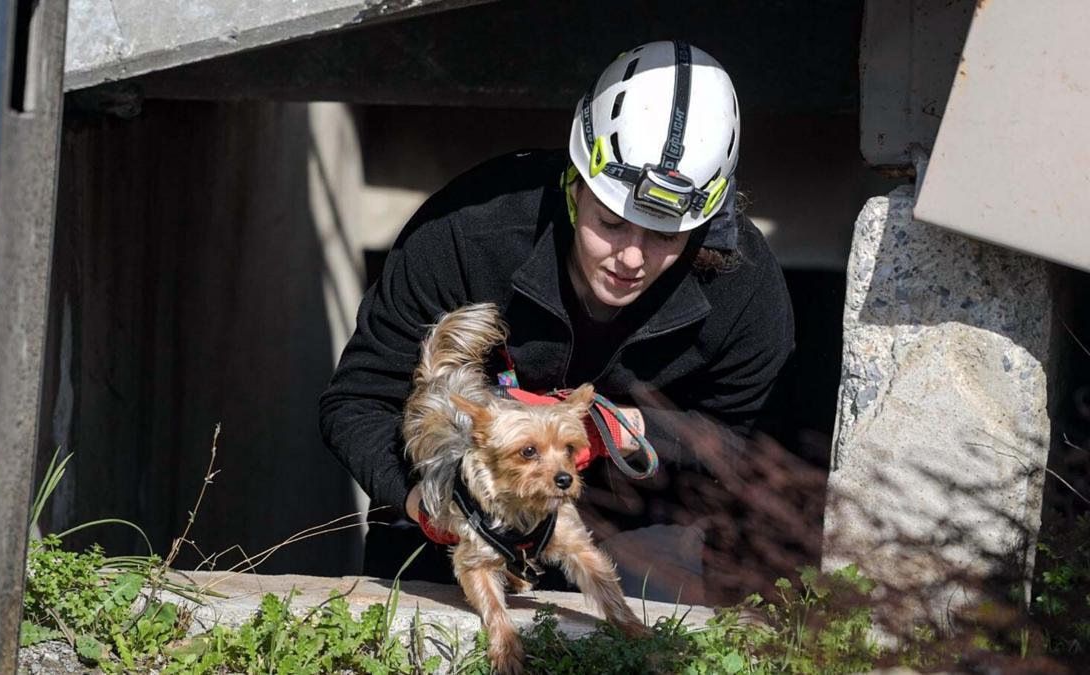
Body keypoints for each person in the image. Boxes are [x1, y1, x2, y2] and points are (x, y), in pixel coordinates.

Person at [318, 41, 794, 593]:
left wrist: (634, 431)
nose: (632, 258)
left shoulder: (746, 287)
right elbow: (358, 399)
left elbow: (761, 452)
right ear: (574, 190)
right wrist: (424, 500)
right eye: (611, 223)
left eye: (665, 236)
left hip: (633, 538)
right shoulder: (465, 232)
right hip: (447, 526)